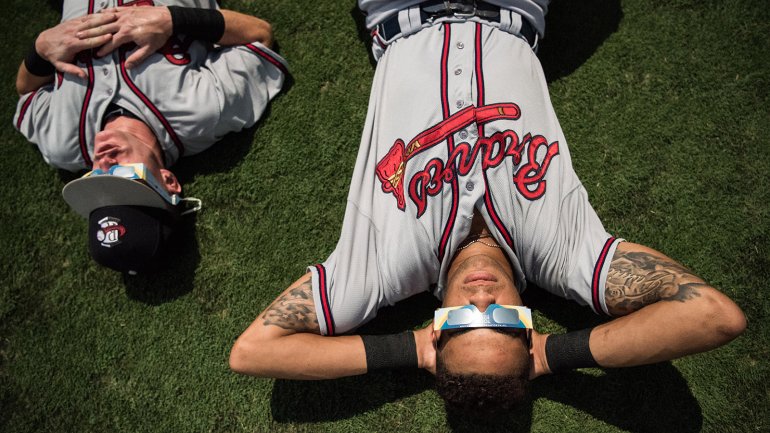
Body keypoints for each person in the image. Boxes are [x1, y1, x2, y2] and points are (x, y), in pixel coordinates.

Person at [229, 0, 746, 415]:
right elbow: (711, 316)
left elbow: (253, 352)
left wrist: (410, 350)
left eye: (461, 323)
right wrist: (549, 356)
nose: (482, 298)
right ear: (527, 326)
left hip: (400, 13)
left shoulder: (381, 269)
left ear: (437, 327)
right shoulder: (568, 256)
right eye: (501, 321)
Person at [13, 0, 287, 274]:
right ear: (168, 181)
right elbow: (260, 34)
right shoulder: (202, 111)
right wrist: (173, 19)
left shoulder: (63, 144)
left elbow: (26, 90)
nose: (105, 165)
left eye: (96, 181)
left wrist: (40, 50)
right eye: (124, 179)